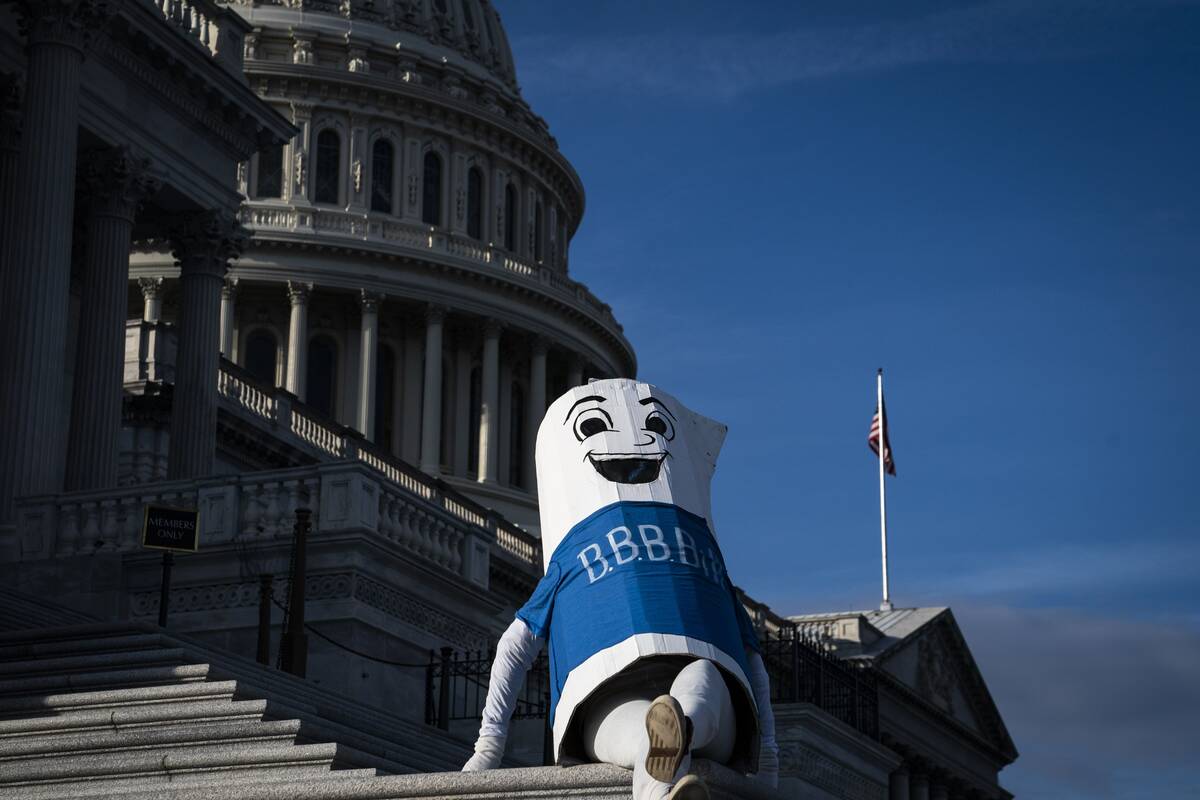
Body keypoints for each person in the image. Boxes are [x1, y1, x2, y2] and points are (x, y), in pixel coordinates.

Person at [462, 380, 779, 799]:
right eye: (593, 425)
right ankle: (672, 734)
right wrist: (771, 758)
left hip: (617, 705)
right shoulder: (703, 563)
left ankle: (673, 731)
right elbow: (754, 662)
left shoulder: (577, 557)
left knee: (687, 689)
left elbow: (514, 648)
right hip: (617, 695)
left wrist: (488, 747)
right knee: (681, 702)